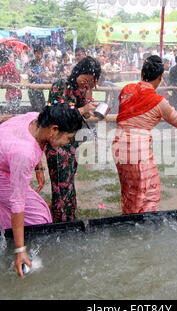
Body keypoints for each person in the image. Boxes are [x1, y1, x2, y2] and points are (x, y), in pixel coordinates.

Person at [0, 103, 84, 277]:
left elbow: (35, 141)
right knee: (39, 218)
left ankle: (4, 249)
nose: (67, 142)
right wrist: (21, 250)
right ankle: (21, 254)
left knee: (4, 217)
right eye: (68, 137)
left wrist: (38, 168)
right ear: (54, 130)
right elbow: (18, 202)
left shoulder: (37, 120)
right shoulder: (23, 152)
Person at [112, 55, 177, 214]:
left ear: (142, 74)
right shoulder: (158, 101)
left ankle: (128, 221)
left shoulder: (126, 90)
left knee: (129, 191)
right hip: (138, 150)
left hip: (118, 145)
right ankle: (139, 227)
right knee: (146, 194)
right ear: (160, 78)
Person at [46, 56, 100, 222]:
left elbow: (80, 111)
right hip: (57, 143)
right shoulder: (61, 86)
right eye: (86, 79)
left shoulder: (80, 89)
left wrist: (91, 110)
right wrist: (82, 109)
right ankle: (60, 223)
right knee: (60, 187)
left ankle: (70, 217)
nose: (88, 84)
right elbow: (54, 114)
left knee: (68, 184)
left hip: (72, 144)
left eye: (92, 82)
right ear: (78, 72)